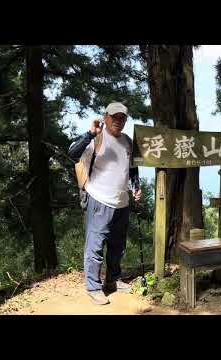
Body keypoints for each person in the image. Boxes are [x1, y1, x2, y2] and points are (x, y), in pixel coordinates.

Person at [68, 102, 142, 305]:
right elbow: (73, 154)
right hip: (98, 199)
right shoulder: (97, 138)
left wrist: (136, 186)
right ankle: (93, 286)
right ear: (106, 117)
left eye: (122, 118)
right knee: (95, 246)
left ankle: (113, 280)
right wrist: (90, 133)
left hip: (122, 202)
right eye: (114, 117)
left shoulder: (127, 141)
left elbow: (133, 168)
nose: (118, 121)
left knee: (118, 245)